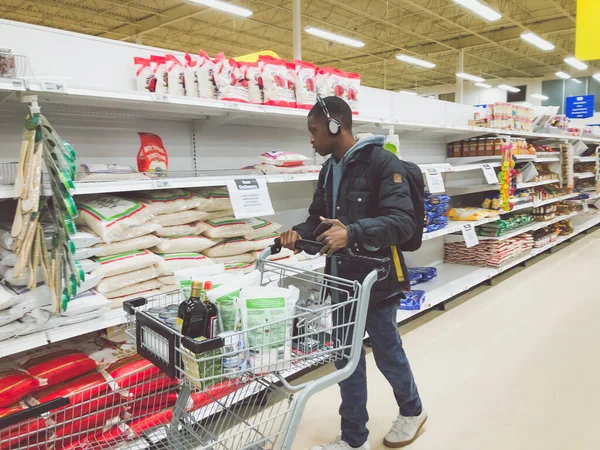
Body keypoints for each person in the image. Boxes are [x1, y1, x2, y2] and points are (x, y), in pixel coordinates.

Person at [280, 96, 426, 450]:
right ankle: (353, 437)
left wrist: (353, 232)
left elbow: (403, 223)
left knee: (387, 351)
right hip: (340, 280)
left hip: (377, 279)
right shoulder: (329, 169)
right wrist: (299, 233)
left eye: (314, 132)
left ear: (335, 127)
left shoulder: (382, 163)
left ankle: (413, 411)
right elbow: (319, 218)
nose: (311, 140)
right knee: (346, 359)